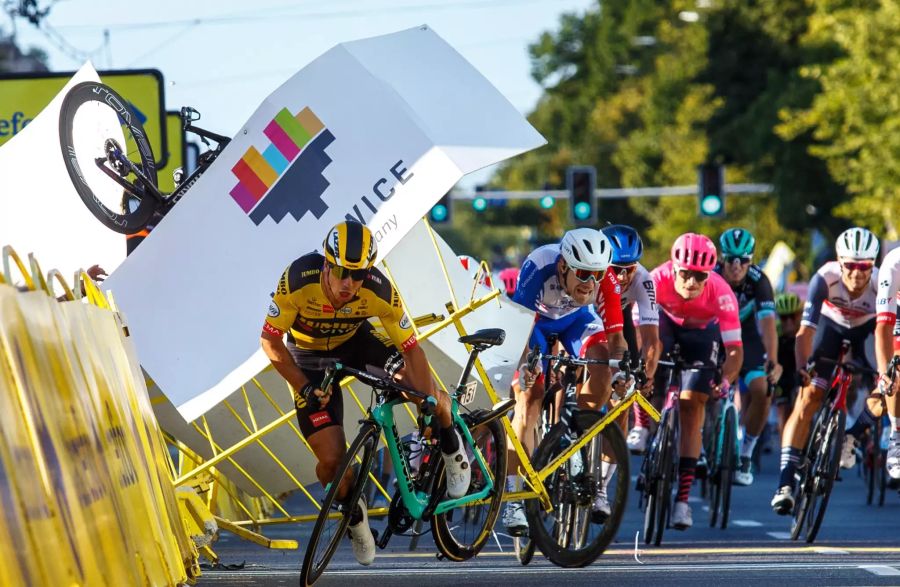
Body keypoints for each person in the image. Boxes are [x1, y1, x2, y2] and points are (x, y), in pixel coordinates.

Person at [260, 220, 470, 566]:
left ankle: (451, 443)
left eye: (358, 275)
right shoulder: (298, 280)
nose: (349, 283)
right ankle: (354, 516)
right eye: (342, 272)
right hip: (309, 358)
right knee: (331, 463)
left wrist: (427, 402)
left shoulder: (378, 289)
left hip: (357, 346)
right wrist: (304, 386)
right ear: (327, 264)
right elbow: (269, 341)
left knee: (424, 391)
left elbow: (412, 348)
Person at [502, 228, 616, 534]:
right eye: (582, 273)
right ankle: (513, 498)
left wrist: (622, 371)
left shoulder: (603, 280)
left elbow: (616, 332)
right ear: (564, 266)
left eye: (597, 275)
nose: (590, 283)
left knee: (603, 366)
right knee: (531, 397)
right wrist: (529, 363)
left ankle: (575, 435)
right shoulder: (539, 263)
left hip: (578, 322)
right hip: (535, 323)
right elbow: (521, 322)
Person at [771, 227, 880, 515]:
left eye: (864, 266)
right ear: (840, 262)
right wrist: (803, 367)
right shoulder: (825, 277)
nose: (857, 274)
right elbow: (805, 332)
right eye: (851, 266)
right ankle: (784, 483)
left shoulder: (882, 284)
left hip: (867, 331)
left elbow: (888, 333)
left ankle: (852, 436)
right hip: (829, 328)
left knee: (888, 385)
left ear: (873, 265)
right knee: (809, 398)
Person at [652, 233, 743, 530]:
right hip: (665, 324)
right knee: (652, 370)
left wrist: (726, 379)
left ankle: (683, 501)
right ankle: (644, 427)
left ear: (709, 275)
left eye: (699, 277)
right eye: (686, 274)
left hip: (702, 334)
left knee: (693, 407)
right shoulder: (656, 279)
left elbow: (734, 351)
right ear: (674, 268)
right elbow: (640, 331)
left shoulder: (721, 291)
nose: (691, 282)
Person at [714, 228, 781, 486]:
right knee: (704, 390)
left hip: (747, 338)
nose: (736, 265)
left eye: (743, 260)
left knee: (763, 390)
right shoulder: (712, 277)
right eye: (730, 259)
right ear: (722, 258)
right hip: (717, 337)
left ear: (751, 260)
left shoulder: (759, 281)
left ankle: (746, 452)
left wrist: (772, 360)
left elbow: (767, 324)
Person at [595, 225, 661, 454]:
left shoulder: (644, 279)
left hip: (620, 323)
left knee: (621, 399)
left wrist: (647, 375)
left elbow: (652, 340)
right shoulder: (592, 269)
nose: (622, 277)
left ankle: (603, 479)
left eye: (629, 269)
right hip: (588, 318)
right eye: (615, 269)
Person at [874, 245, 900, 480]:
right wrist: (885, 373)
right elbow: (883, 327)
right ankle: (896, 435)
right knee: (897, 367)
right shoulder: (894, 263)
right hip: (897, 315)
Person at [772, 292, 804, 443]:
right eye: (784, 318)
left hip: (802, 368)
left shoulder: (806, 330)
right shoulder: (776, 331)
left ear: (800, 315)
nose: (789, 322)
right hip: (782, 372)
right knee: (782, 408)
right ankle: (786, 446)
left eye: (793, 316)